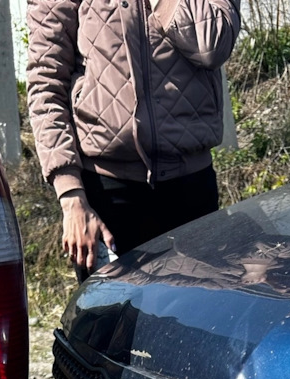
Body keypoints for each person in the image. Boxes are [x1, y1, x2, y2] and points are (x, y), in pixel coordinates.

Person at [26, 0, 241, 272]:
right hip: (108, 196)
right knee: (117, 314)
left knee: (197, 311)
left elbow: (212, 45)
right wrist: (70, 196)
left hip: (191, 189)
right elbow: (46, 84)